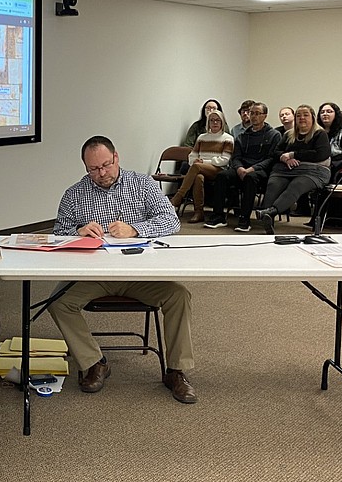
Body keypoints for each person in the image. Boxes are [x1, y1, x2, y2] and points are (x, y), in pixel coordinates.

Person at [49, 136, 198, 404]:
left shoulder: (142, 184)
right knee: (58, 302)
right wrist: (78, 232)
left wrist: (136, 229)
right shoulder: (74, 194)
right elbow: (57, 235)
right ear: (85, 168)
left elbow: (171, 221)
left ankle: (176, 370)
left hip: (138, 275)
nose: (101, 173)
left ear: (116, 158)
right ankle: (95, 362)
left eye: (106, 165)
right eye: (93, 169)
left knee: (179, 295)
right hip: (95, 276)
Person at [203, 102, 282, 232]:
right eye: (252, 113)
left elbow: (271, 158)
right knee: (222, 176)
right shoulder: (242, 136)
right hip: (241, 168)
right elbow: (236, 157)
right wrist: (239, 168)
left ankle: (244, 218)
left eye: (257, 113)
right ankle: (218, 216)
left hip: (260, 171)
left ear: (265, 116)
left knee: (250, 178)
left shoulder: (273, 135)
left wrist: (252, 169)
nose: (254, 116)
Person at [258, 104, 331, 235]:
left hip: (313, 171)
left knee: (297, 185)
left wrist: (293, 154)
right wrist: (285, 158)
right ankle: (268, 221)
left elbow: (321, 154)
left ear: (313, 118)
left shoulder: (320, 134)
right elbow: (275, 152)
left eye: (305, 115)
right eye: (298, 115)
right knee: (273, 184)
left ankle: (271, 212)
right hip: (286, 169)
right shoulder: (288, 135)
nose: (301, 118)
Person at [170, 110, 233, 222]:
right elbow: (192, 156)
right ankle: (199, 212)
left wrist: (204, 162)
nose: (214, 122)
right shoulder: (202, 137)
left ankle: (178, 197)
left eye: (217, 120)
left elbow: (224, 160)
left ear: (222, 122)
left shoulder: (228, 138)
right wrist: (195, 161)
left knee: (196, 167)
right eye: (211, 120)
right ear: (208, 122)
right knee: (198, 177)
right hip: (200, 168)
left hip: (218, 170)